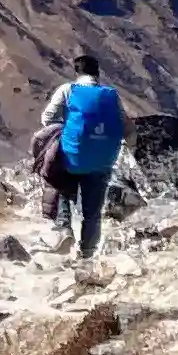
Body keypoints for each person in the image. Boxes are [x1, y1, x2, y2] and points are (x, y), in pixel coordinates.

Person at [31, 51, 126, 263]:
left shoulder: (68, 90)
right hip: (103, 160)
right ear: (97, 73)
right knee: (93, 212)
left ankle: (64, 228)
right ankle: (87, 255)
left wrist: (65, 130)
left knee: (57, 179)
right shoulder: (111, 94)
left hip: (73, 157)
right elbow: (124, 123)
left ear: (77, 72)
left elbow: (47, 117)